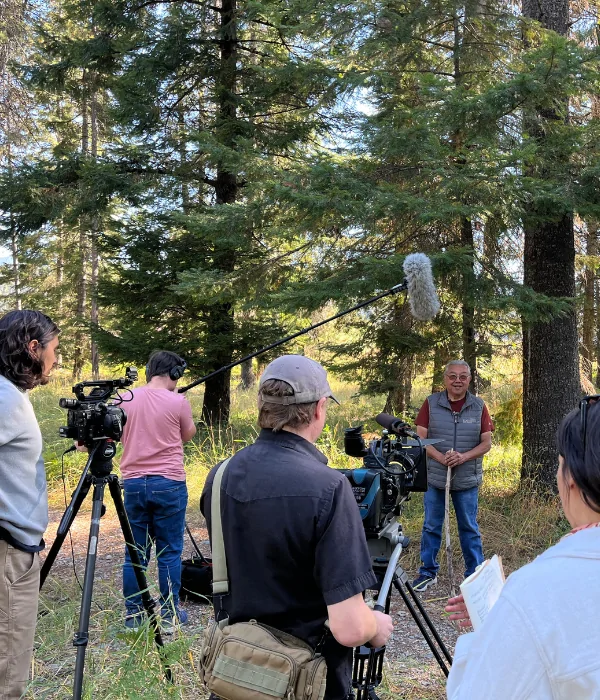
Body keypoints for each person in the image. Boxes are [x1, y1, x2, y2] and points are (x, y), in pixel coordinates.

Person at [200, 355, 394, 700]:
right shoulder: (329, 488)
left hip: (235, 675)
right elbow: (350, 628)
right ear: (319, 408)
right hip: (307, 682)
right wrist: (376, 626)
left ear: (263, 407)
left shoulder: (220, 475)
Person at [444, 399, 600, 699]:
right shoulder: (533, 592)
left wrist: (490, 632)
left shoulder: (534, 591)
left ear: (571, 477)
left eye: (559, 464)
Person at [0, 309, 60, 699]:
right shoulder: (5, 399)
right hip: (7, 550)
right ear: (33, 348)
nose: (57, 360)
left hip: (14, 546)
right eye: (54, 349)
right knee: (8, 668)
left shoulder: (10, 394)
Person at [120, 350, 197, 631]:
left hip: (134, 484)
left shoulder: (124, 399)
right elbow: (187, 434)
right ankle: (168, 613)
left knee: (135, 552)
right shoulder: (178, 401)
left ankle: (134, 614)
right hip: (169, 484)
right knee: (169, 551)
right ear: (174, 373)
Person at [412, 360, 494, 591]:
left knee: (469, 527)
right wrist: (441, 458)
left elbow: (486, 443)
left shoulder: (479, 406)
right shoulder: (431, 403)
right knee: (431, 525)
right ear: (445, 379)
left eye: (463, 376)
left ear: (469, 379)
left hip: (467, 479)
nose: (458, 380)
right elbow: (420, 439)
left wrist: (463, 457)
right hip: (436, 478)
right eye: (452, 376)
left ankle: (474, 577)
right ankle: (428, 572)